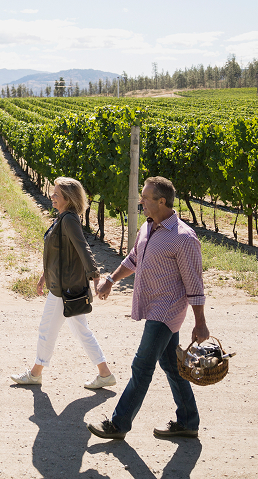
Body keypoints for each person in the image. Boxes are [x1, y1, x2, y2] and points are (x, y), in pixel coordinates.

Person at [87, 176, 209, 441]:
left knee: (142, 366)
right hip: (152, 305)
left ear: (161, 201)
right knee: (172, 365)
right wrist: (110, 280)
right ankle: (188, 421)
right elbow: (134, 258)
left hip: (166, 311)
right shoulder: (147, 227)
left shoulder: (184, 238)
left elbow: (194, 283)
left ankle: (118, 424)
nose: (140, 201)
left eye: (145, 197)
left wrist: (200, 323)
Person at [11, 177, 116, 390]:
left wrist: (96, 277)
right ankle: (105, 373)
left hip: (64, 289)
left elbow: (83, 248)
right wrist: (44, 276)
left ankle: (35, 373)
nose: (52, 196)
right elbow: (58, 254)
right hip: (63, 285)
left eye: (56, 194)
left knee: (47, 329)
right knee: (79, 331)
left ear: (67, 198)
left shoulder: (68, 219)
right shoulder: (63, 218)